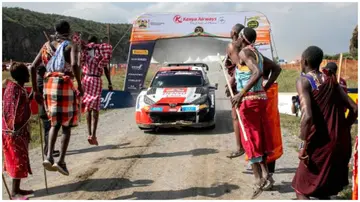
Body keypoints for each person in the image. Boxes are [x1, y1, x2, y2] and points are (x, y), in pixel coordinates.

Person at [291, 46, 357, 199]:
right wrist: (344, 127)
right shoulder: (331, 80)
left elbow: (307, 117)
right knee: (323, 189)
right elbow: (354, 109)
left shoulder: (303, 81)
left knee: (300, 188)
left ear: (305, 61)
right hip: (341, 142)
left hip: (320, 143)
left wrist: (302, 146)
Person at [30, 20, 83, 176]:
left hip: (49, 85)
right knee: (66, 124)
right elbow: (74, 65)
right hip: (64, 84)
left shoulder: (46, 46)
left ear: (55, 30)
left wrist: (35, 91)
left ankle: (48, 156)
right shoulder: (70, 45)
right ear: (69, 30)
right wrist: (79, 84)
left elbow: (32, 67)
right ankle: (60, 161)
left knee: (54, 122)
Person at [231, 27, 274, 198]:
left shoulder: (244, 53)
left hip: (249, 101)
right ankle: (267, 176)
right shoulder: (258, 53)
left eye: (238, 36)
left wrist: (241, 93)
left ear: (242, 38)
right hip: (260, 99)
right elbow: (276, 68)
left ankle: (258, 180)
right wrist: (265, 88)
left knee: (250, 139)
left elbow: (257, 72)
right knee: (259, 138)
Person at [2, 63, 34, 199]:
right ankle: (14, 193)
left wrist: (34, 92)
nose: (28, 76)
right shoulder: (18, 91)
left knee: (16, 159)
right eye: (27, 73)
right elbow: (17, 113)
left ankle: (17, 188)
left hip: (8, 130)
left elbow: (24, 103)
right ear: (22, 75)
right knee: (17, 161)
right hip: (15, 132)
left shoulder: (12, 88)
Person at [81, 36, 112, 146]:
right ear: (97, 42)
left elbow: (80, 67)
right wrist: (109, 82)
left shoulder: (84, 52)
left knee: (88, 108)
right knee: (96, 109)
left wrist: (80, 83)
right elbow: (106, 69)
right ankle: (94, 134)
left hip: (86, 79)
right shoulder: (100, 53)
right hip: (96, 79)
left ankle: (89, 133)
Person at [224, 23, 245, 159]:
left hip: (239, 85)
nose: (230, 32)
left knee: (235, 116)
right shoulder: (243, 45)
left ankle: (240, 147)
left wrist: (231, 83)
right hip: (242, 83)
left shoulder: (234, 46)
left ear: (235, 33)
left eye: (231, 30)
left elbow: (239, 67)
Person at [37, 65, 60, 157]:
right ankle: (48, 151)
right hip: (44, 110)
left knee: (49, 130)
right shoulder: (40, 80)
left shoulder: (41, 79)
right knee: (48, 131)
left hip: (47, 109)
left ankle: (50, 149)